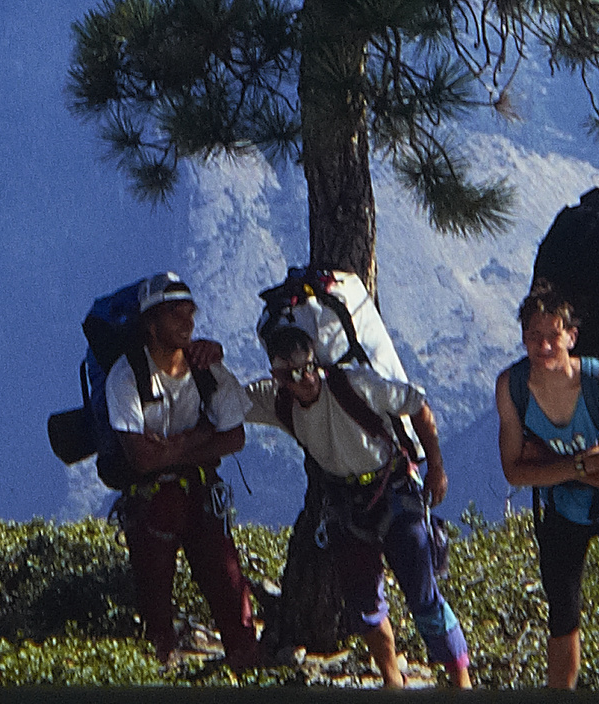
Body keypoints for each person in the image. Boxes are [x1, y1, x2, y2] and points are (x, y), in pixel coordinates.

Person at [244, 324, 471, 688]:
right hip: (344, 505)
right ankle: (392, 681)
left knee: (423, 595)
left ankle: (461, 680)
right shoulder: (276, 400)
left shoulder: (357, 384)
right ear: (277, 376)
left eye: (307, 368)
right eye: (290, 374)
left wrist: (437, 469)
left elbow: (418, 406)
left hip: (393, 489)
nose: (302, 380)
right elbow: (223, 403)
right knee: (364, 605)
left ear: (317, 362)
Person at [496, 279, 599, 689]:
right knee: (561, 615)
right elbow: (513, 471)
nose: (544, 346)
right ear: (523, 338)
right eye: (534, 337)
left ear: (572, 336)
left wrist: (552, 465)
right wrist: (582, 464)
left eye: (553, 336)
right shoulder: (512, 388)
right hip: (563, 510)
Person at [106, 272, 259, 669]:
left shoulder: (207, 369)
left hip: (199, 495)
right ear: (150, 324)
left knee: (228, 582)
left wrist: (174, 446)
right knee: (155, 591)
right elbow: (140, 459)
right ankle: (163, 662)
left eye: (190, 313)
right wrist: (200, 438)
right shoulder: (126, 377)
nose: (188, 322)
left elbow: (235, 438)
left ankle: (245, 661)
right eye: (176, 314)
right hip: (152, 502)